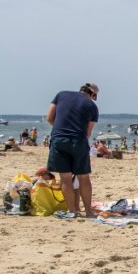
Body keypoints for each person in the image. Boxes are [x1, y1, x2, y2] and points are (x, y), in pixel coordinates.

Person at [46, 82, 99, 218]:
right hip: (78, 140)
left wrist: (61, 128)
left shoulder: (61, 95)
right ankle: (88, 211)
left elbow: (49, 118)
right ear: (92, 94)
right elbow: (88, 132)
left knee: (65, 178)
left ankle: (72, 212)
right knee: (83, 178)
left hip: (58, 139)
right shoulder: (92, 106)